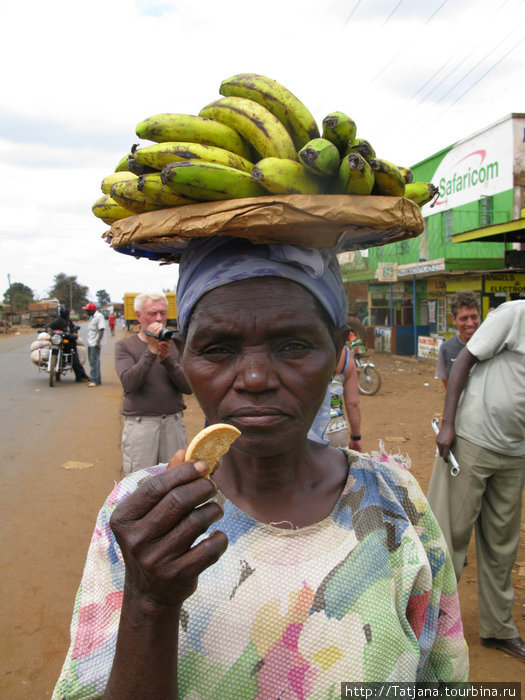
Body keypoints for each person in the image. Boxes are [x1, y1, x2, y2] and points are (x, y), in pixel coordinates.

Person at [53, 238, 468, 699]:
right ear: (184, 357)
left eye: (292, 344)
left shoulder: (398, 504)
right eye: (218, 349)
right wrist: (149, 602)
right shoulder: (138, 518)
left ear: (335, 351)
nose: (255, 379)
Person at [434, 300, 525, 661]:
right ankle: (435, 628)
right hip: (472, 439)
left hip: (516, 451)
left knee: (503, 543)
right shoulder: (515, 314)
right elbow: (464, 362)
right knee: (450, 535)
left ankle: (499, 629)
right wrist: (448, 423)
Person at [115, 292, 193, 474]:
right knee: (139, 482)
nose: (159, 318)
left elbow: (188, 387)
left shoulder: (176, 345)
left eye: (163, 313)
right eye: (152, 313)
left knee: (176, 479)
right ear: (138, 316)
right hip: (141, 425)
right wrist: (150, 351)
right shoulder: (125, 346)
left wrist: (167, 359)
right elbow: (130, 384)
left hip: (173, 424)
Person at [310, 342, 363, 451]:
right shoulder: (346, 354)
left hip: (309, 431)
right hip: (337, 430)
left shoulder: (304, 349)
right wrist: (356, 437)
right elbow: (353, 404)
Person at [435, 290, 481, 388]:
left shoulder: (491, 345)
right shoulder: (446, 349)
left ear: (479, 316)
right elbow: (448, 387)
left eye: (474, 317)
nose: (470, 323)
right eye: (464, 318)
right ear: (454, 319)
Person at [48, 306, 90, 383]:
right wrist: (49, 330)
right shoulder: (58, 321)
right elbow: (49, 327)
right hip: (59, 342)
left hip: (69, 344)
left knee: (74, 359)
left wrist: (72, 335)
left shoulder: (69, 322)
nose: (67, 315)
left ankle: (80, 376)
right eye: (67, 314)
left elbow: (74, 332)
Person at [82, 302, 106, 386]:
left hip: (95, 343)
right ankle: (95, 379)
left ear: (92, 310)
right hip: (90, 342)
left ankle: (94, 380)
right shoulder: (92, 317)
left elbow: (101, 329)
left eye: (88, 310)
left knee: (94, 361)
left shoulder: (99, 316)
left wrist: (98, 342)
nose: (86, 312)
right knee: (92, 361)